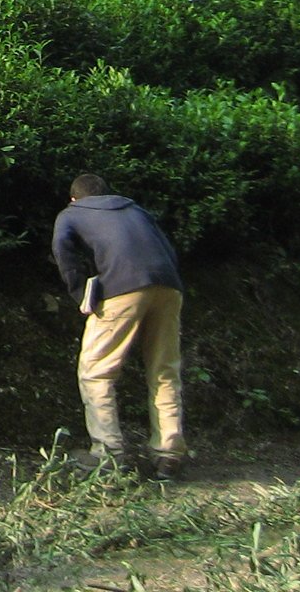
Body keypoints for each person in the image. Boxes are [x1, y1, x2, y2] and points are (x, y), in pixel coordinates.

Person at [51, 173, 188, 479]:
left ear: (74, 198)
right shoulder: (136, 210)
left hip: (122, 289)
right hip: (168, 286)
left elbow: (64, 253)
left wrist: (80, 295)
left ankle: (108, 454)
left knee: (96, 370)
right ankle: (169, 454)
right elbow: (168, 249)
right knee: (164, 370)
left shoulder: (71, 214)